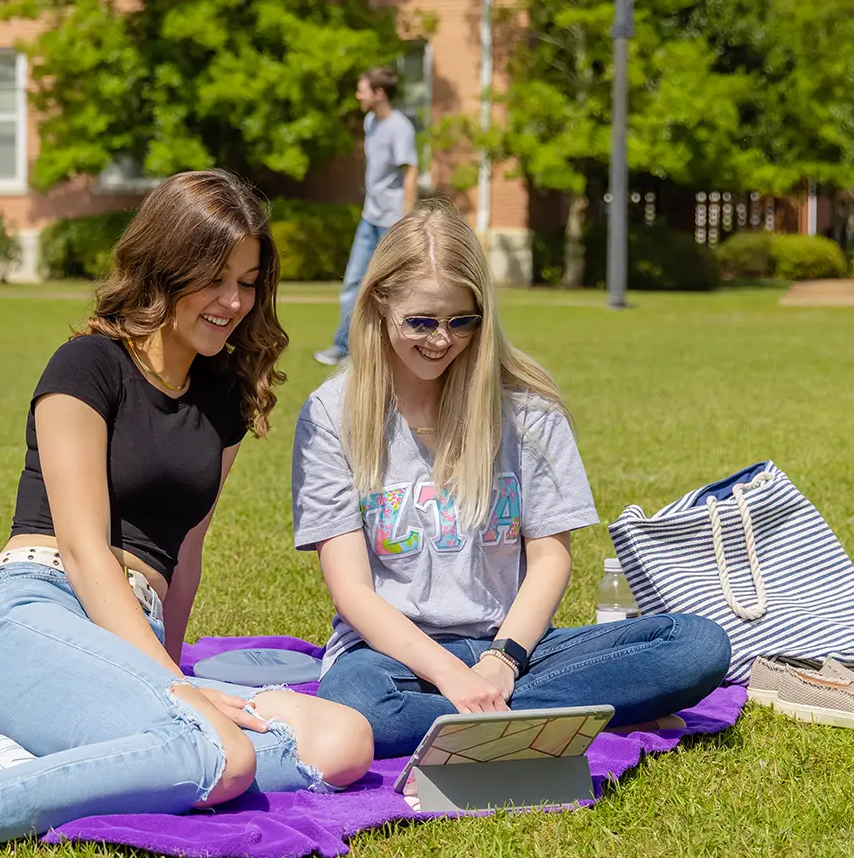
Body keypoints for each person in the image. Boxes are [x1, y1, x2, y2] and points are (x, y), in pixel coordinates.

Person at [0, 170, 375, 858]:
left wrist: (164, 681)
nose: (234, 303)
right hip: (33, 612)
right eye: (215, 279)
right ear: (167, 267)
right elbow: (82, 550)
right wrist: (175, 691)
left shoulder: (222, 398)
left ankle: (28, 767)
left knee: (343, 741)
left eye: (248, 281)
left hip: (127, 636)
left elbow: (186, 556)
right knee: (224, 756)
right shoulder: (87, 366)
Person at [294, 207, 732, 758]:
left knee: (697, 646)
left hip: (516, 651)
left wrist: (502, 660)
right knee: (360, 704)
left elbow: (550, 556)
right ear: (379, 303)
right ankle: (569, 717)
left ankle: (497, 719)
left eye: (462, 321)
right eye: (421, 322)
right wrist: (452, 675)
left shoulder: (529, 412)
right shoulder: (332, 414)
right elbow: (353, 590)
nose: (441, 340)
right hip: (390, 659)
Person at [314, 66, 419, 367]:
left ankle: (392, 348)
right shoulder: (370, 121)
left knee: (391, 288)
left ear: (379, 93)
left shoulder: (401, 129)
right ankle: (344, 348)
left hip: (391, 222)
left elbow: (410, 171)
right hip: (369, 217)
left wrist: (405, 221)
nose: (357, 95)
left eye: (362, 89)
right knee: (353, 283)